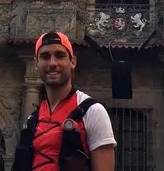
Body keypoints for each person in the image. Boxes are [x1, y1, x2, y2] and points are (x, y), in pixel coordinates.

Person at [12, 31, 116, 171]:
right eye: (45, 56)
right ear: (36, 63)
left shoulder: (92, 112)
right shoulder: (33, 119)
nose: (53, 63)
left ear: (72, 62)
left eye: (59, 56)